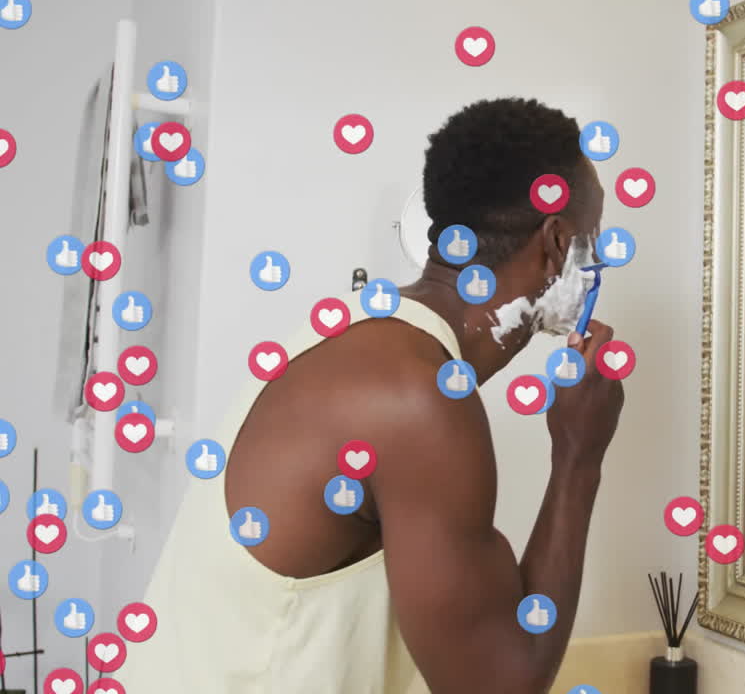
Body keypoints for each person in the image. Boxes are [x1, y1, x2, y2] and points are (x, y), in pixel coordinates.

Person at [124, 98, 626, 694]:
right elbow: (500, 686)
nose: (598, 263)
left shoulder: (363, 334)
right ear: (558, 242)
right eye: (594, 239)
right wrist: (578, 456)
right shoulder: (413, 399)